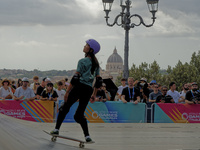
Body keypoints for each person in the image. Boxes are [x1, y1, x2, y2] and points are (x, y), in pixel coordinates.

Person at [50, 39, 101, 143]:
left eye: (86, 45)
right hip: (88, 90)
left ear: (90, 49)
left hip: (79, 87)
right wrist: (94, 95)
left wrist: (67, 92)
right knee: (79, 115)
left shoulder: (82, 61)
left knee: (65, 108)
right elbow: (98, 81)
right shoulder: (96, 64)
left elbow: (75, 78)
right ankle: (87, 136)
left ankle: (56, 130)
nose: (84, 46)